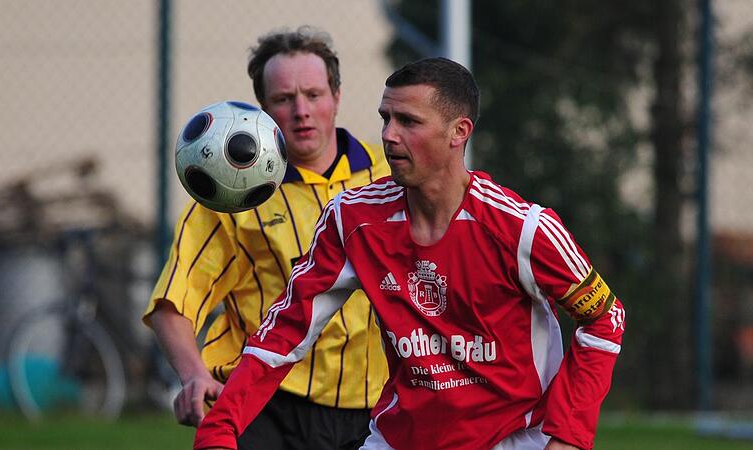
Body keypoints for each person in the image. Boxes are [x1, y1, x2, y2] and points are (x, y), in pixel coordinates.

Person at [193, 57, 627, 450]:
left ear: (460, 132)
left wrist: (568, 437)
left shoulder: (524, 229)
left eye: (408, 121)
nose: (388, 135)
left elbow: (606, 318)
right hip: (399, 438)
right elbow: (285, 332)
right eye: (385, 118)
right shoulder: (353, 219)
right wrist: (220, 429)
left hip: (513, 438)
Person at [144, 26, 390, 449]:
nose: (301, 111)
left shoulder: (390, 174)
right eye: (283, 98)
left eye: (313, 95)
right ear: (261, 108)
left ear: (336, 96)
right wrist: (193, 374)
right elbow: (174, 302)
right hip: (266, 404)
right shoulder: (231, 193)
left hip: (378, 407)